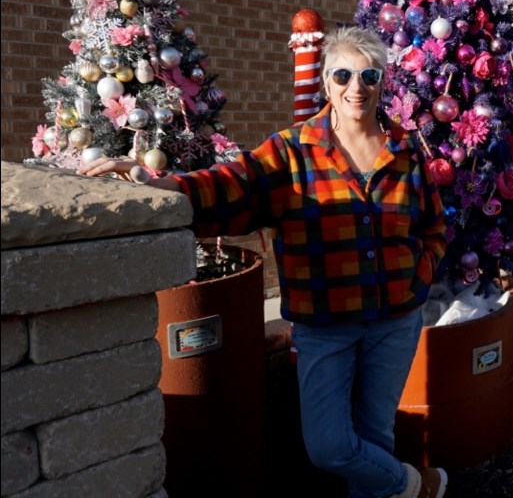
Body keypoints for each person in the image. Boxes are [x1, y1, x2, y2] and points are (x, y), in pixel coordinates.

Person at [79, 26, 449, 498]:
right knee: (331, 447)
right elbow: (232, 184)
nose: (356, 86)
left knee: (374, 435)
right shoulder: (290, 150)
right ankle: (417, 485)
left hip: (396, 321)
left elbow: (433, 228)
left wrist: (420, 276)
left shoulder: (406, 150)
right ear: (327, 84)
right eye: (343, 75)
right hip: (325, 324)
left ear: (382, 82)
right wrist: (159, 183)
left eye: (369, 75)